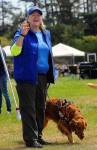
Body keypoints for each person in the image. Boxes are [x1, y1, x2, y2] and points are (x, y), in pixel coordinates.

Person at [11, 6, 55, 148]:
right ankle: (30, 139)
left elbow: (48, 55)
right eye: (33, 15)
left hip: (42, 76)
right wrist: (22, 36)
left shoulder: (46, 33)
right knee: (28, 108)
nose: (36, 17)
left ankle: (39, 136)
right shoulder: (22, 32)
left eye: (39, 15)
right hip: (26, 76)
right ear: (28, 18)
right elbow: (14, 51)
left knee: (40, 107)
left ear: (41, 18)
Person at [0, 50, 11, 114]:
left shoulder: (2, 51)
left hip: (2, 75)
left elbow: (2, 62)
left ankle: (9, 109)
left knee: (5, 93)